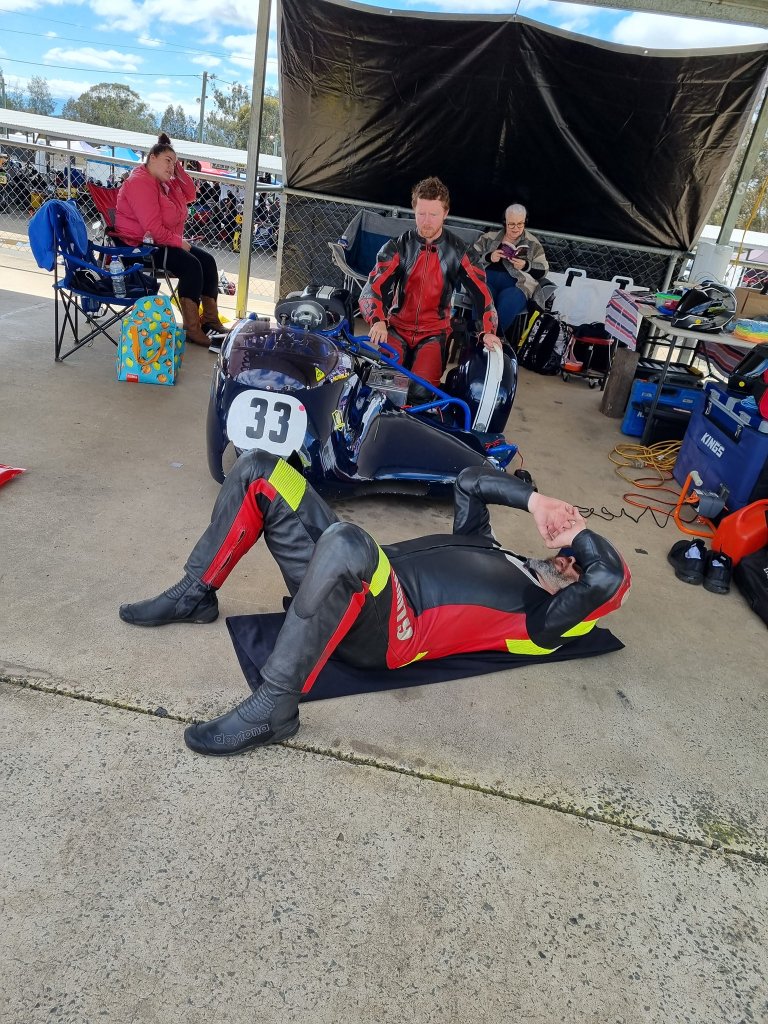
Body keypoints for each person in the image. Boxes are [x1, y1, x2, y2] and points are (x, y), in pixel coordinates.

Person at [119, 452, 630, 757]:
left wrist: (579, 533)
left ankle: (274, 707)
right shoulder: (492, 546)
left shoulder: (542, 624)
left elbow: (607, 577)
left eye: (575, 569)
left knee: (347, 541)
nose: (568, 560)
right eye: (571, 556)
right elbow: (469, 481)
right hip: (355, 576)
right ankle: (194, 594)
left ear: (582, 604)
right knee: (263, 469)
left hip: (391, 632)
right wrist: (537, 502)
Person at [360, 176, 501, 403]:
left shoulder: (460, 251)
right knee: (383, 389)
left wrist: (489, 331)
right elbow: (372, 287)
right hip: (396, 328)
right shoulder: (397, 247)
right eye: (421, 214)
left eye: (433, 214)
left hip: (434, 333)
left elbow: (482, 293)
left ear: (446, 213)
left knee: (421, 394)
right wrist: (377, 320)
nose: (426, 221)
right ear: (414, 210)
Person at [114, 132, 227, 348]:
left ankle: (210, 321)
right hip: (139, 247)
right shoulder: (140, 182)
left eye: (174, 163)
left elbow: (191, 194)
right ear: (152, 158)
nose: (171, 167)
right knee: (191, 265)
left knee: (208, 261)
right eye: (167, 161)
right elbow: (152, 228)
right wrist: (178, 242)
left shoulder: (164, 183)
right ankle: (192, 328)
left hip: (159, 242)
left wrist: (176, 167)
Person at [473, 204, 550, 340]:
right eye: (511, 224)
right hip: (487, 280)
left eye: (520, 224)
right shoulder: (489, 237)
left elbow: (543, 269)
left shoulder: (533, 243)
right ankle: (479, 336)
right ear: (505, 222)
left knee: (510, 299)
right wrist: (489, 257)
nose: (516, 228)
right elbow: (469, 257)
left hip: (516, 284)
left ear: (525, 222)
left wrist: (526, 265)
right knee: (483, 295)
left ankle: (494, 339)